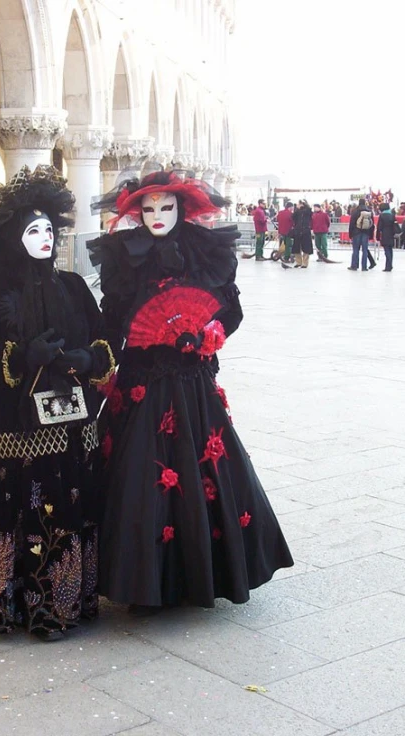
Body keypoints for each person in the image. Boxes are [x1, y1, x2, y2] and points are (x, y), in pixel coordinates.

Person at [88, 170, 294, 615]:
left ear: (182, 208)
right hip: (142, 382)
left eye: (166, 207)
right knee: (141, 472)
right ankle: (144, 581)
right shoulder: (124, 257)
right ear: (136, 213)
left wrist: (210, 331)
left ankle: (200, 574)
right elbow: (114, 318)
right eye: (148, 209)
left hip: (192, 380)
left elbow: (231, 310)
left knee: (200, 469)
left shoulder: (204, 251)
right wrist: (100, 358)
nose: (158, 216)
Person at [0, 166, 115, 640]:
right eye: (32, 230)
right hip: (18, 431)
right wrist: (21, 357)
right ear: (11, 237)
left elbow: (106, 338)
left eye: (48, 228)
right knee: (24, 512)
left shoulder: (73, 286)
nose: (44, 237)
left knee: (68, 511)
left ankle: (63, 606)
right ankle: (16, 607)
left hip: (71, 426)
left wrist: (90, 358)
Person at [348, 198, 375, 271]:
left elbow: (352, 224)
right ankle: (364, 267)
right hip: (366, 233)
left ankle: (354, 266)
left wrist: (350, 234)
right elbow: (372, 224)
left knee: (356, 250)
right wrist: (371, 235)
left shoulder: (355, 211)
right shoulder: (369, 211)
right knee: (365, 250)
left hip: (356, 233)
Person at [376, 202, 400, 271]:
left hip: (385, 234)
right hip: (391, 234)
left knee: (386, 251)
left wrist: (378, 236)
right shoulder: (392, 215)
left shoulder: (382, 215)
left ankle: (388, 266)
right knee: (390, 250)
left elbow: (379, 227)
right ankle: (390, 264)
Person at [292, 200, 313, 268]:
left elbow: (310, 213)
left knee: (306, 247)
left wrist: (305, 205)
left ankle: (305, 263)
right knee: (296, 247)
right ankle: (298, 262)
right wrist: (297, 209)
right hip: (298, 231)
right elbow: (293, 217)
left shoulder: (308, 211)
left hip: (305, 231)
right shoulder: (297, 211)